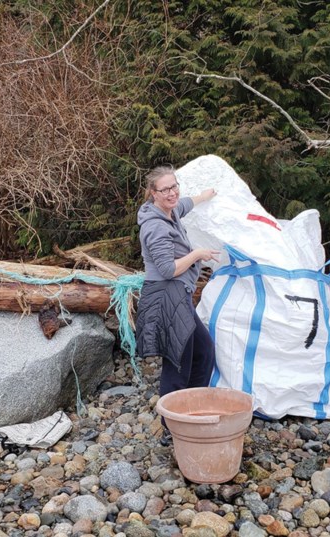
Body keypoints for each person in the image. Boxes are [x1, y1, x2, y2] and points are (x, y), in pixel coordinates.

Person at [134, 165, 219, 445]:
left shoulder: (168, 212)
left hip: (177, 296)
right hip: (166, 297)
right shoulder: (155, 227)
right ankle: (172, 427)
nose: (172, 193)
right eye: (165, 189)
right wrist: (196, 254)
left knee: (203, 351)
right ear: (152, 194)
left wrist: (204, 196)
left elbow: (182, 205)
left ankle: (190, 413)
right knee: (179, 362)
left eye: (174, 186)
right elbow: (168, 269)